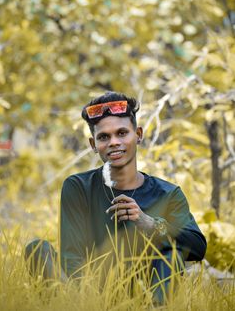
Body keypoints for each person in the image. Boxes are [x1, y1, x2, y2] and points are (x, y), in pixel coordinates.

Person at [25, 91, 207, 303]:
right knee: (37, 249)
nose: (113, 142)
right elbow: (71, 257)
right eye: (104, 137)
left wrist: (149, 223)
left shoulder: (167, 193)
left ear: (138, 134)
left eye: (122, 133)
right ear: (93, 145)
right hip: (86, 293)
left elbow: (197, 247)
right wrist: (91, 301)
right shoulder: (78, 187)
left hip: (144, 294)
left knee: (171, 254)